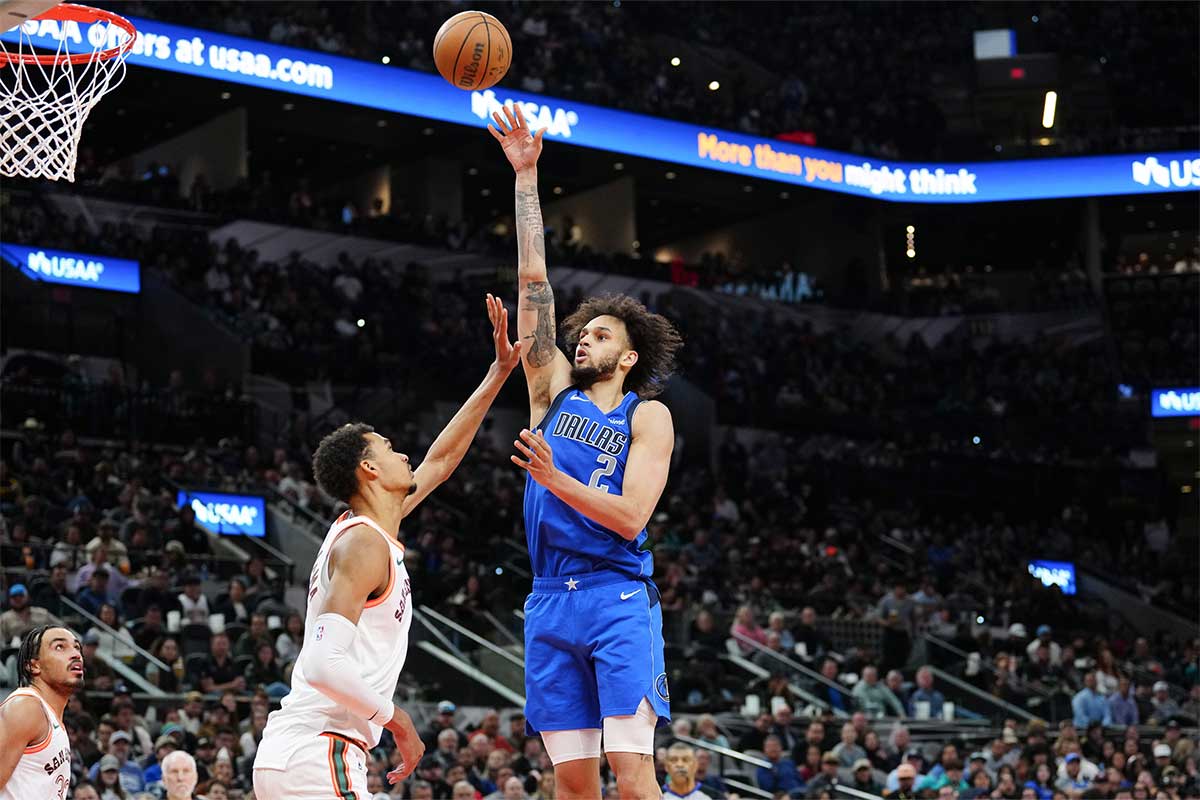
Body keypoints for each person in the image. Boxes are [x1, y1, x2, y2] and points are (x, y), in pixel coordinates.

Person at [253, 295, 522, 800]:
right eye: (390, 449)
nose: (404, 454)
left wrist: (498, 374)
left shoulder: (364, 531)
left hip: (305, 753)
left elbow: (440, 462)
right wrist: (398, 722)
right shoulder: (363, 546)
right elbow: (322, 663)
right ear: (369, 470)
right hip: (319, 750)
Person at [491, 102, 684, 800]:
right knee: (573, 788)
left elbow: (632, 517)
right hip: (549, 601)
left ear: (628, 355)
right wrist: (525, 179)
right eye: (584, 334)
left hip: (616, 596)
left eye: (601, 336)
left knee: (632, 780)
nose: (584, 341)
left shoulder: (649, 416)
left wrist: (552, 477)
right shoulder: (552, 396)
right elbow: (534, 282)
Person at [0, 625, 82, 799]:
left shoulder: (50, 716)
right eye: (60, 647)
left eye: (77, 647)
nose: (76, 654)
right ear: (33, 666)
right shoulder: (26, 706)